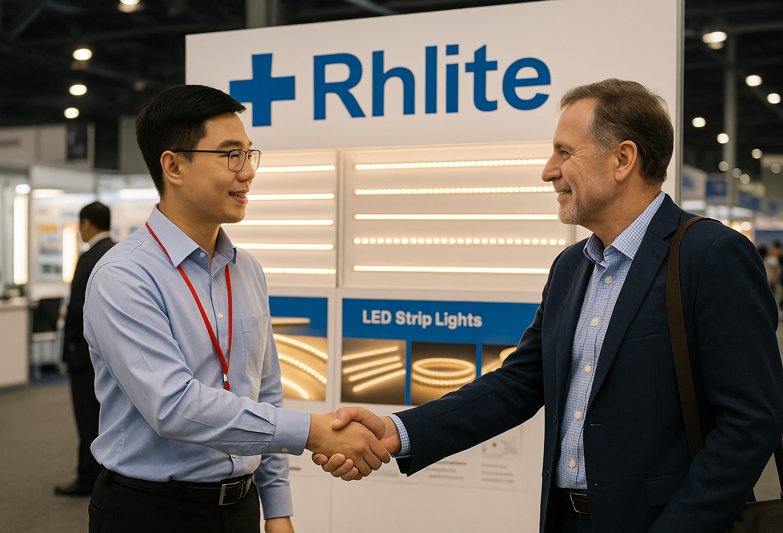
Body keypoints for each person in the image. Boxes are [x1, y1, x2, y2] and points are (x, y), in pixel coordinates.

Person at [315, 79, 783, 533]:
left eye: (564, 151)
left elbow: (751, 422)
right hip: (566, 518)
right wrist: (396, 432)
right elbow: (520, 383)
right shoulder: (570, 267)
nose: (548, 170)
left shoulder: (710, 255)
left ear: (623, 159)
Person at [84, 85, 388, 533]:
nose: (247, 172)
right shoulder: (124, 276)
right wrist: (311, 431)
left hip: (240, 508)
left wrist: (277, 506)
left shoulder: (247, 270)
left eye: (249, 154)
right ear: (173, 166)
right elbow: (173, 405)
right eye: (230, 155)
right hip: (150, 511)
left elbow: (264, 392)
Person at [55, 202, 115, 497]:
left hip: (85, 353)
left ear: (87, 224)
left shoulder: (89, 256)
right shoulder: (118, 252)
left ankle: (87, 476)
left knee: (85, 414)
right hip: (110, 352)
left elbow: (80, 305)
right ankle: (102, 470)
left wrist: (72, 346)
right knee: (104, 412)